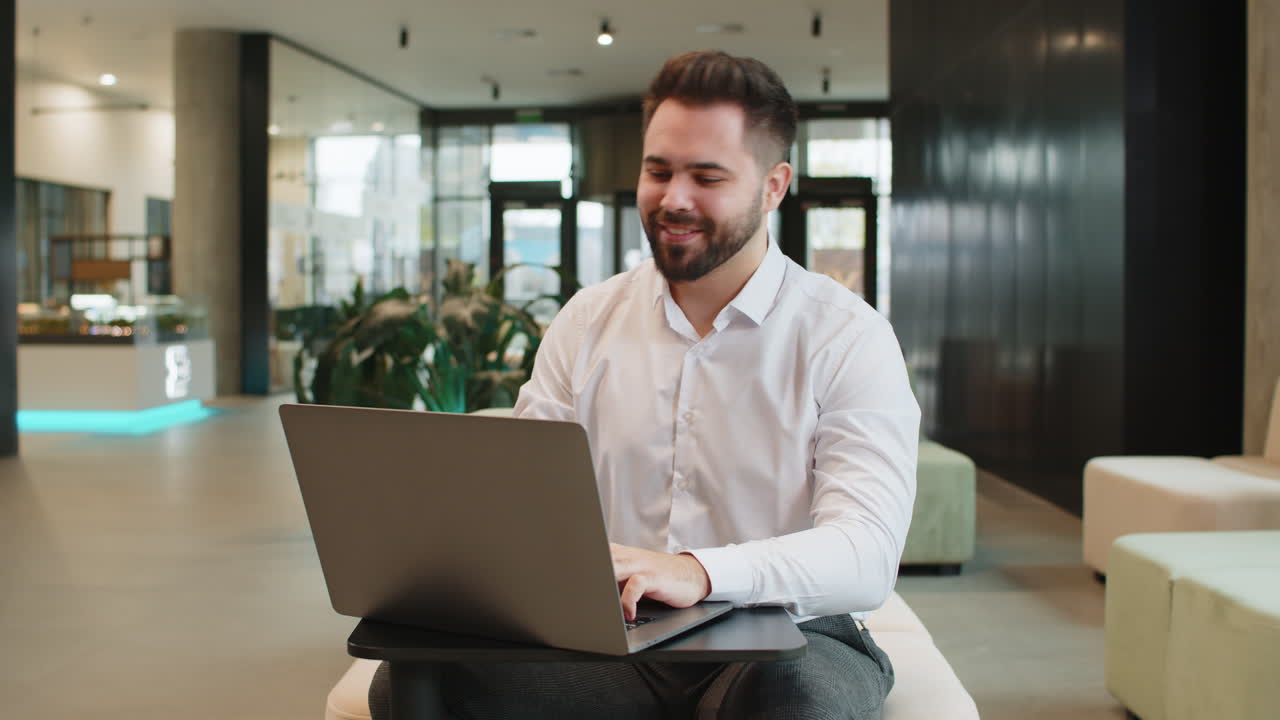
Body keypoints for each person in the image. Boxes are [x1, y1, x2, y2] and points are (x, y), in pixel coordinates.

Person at [370, 49, 919, 720]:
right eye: (658, 171)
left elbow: (866, 553)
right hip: (615, 639)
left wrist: (699, 571)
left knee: (790, 700)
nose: (673, 198)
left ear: (774, 186)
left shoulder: (845, 336)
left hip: (787, 636)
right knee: (416, 682)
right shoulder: (588, 320)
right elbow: (523, 505)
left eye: (706, 176)